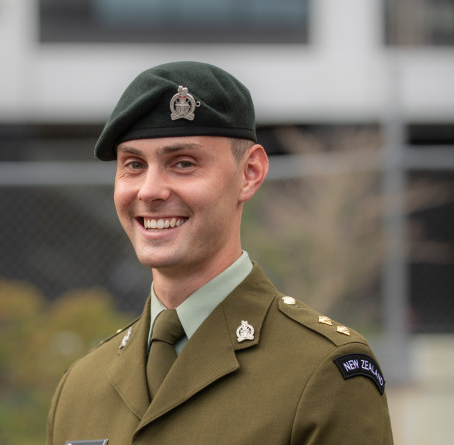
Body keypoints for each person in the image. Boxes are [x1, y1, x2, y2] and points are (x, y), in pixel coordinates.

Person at [46, 61, 394, 445]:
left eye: (183, 163)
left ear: (250, 173)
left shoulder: (324, 372)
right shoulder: (79, 388)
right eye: (133, 165)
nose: (149, 191)